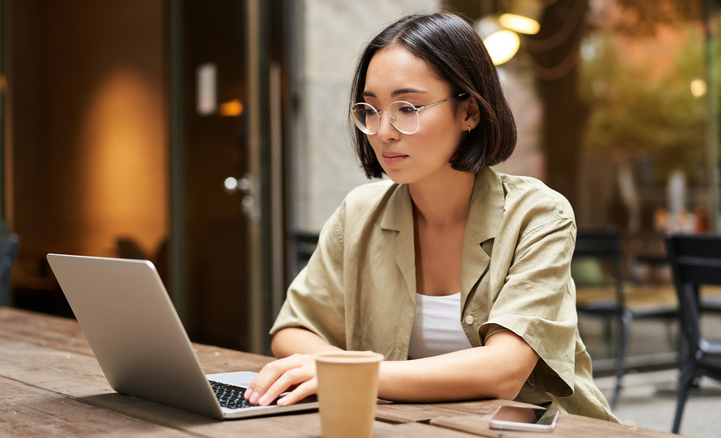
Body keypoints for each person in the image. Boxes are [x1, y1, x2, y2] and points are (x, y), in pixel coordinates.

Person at [244, 11, 617, 421]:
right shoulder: (360, 212)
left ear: (469, 113)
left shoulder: (538, 215)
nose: (383, 130)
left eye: (408, 107)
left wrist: (350, 373)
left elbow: (504, 370)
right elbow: (293, 330)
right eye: (370, 108)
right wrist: (343, 370)